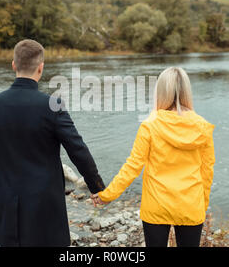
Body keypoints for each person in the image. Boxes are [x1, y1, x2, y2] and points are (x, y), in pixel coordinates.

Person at [0, 39, 105, 247]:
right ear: (41, 68)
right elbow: (77, 149)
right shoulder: (52, 105)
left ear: (13, 65)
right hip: (44, 204)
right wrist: (96, 186)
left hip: (6, 199)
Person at [92, 67, 216, 247]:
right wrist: (201, 206)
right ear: (187, 92)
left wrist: (107, 195)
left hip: (157, 206)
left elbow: (132, 167)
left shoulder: (150, 125)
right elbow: (207, 171)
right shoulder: (203, 127)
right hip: (191, 205)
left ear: (161, 92)